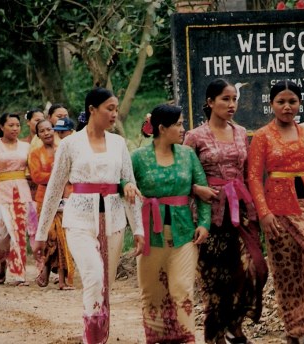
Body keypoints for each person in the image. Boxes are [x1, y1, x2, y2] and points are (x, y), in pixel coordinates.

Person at [33, 87, 144, 344]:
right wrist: (41, 233)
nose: (114, 114)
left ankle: (98, 337)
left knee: (106, 287)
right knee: (93, 276)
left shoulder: (118, 143)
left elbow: (129, 184)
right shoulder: (70, 144)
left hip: (114, 221)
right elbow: (54, 188)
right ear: (92, 110)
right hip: (79, 221)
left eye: (116, 109)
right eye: (109, 108)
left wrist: (138, 228)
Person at [183, 78, 268, 344]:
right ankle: (215, 337)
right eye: (225, 99)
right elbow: (182, 174)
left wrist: (255, 208)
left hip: (239, 212)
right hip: (208, 216)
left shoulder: (241, 132)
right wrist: (197, 190)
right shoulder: (195, 136)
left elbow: (246, 173)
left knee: (253, 268)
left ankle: (235, 324)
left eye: (234, 99)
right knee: (214, 282)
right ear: (210, 102)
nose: (232, 105)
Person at [247, 80, 304, 343]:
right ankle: (296, 331)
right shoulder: (262, 136)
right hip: (278, 211)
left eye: (292, 101)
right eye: (281, 101)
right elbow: (253, 177)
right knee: (287, 273)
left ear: (300, 103)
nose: (287, 106)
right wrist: (264, 213)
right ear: (271, 104)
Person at [132, 104, 210, 344]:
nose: (182, 128)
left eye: (182, 123)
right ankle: (156, 339)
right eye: (178, 124)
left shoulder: (187, 155)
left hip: (184, 232)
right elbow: (124, 189)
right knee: (152, 293)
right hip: (149, 234)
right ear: (162, 128)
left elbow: (203, 191)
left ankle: (187, 339)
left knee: (182, 289)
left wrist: (204, 223)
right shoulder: (138, 157)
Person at [0, 112, 38, 287]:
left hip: (21, 192)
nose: (15, 128)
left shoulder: (26, 147)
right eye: (11, 125)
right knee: (1, 236)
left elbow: (33, 171)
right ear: (2, 127)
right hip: (0, 193)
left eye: (17, 125)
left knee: (19, 233)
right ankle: (2, 262)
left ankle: (20, 274)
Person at [28, 119, 75, 290]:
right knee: (50, 237)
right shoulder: (35, 153)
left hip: (66, 198)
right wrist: (58, 175)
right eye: (42, 130)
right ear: (38, 134)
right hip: (44, 200)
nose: (47, 133)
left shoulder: (62, 150)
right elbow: (37, 176)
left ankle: (61, 279)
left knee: (63, 238)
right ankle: (47, 271)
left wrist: (61, 175)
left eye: (49, 129)